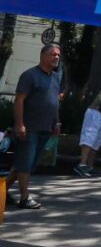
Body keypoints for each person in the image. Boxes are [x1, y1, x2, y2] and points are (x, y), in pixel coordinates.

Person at [9, 45, 62, 210]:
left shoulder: (55, 77)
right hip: (29, 127)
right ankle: (25, 198)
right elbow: (19, 100)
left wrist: (57, 122)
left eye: (58, 55)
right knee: (25, 163)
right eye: (53, 54)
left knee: (26, 164)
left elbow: (55, 102)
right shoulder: (29, 75)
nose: (56, 57)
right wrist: (19, 124)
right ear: (43, 56)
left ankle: (2, 190)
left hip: (46, 128)